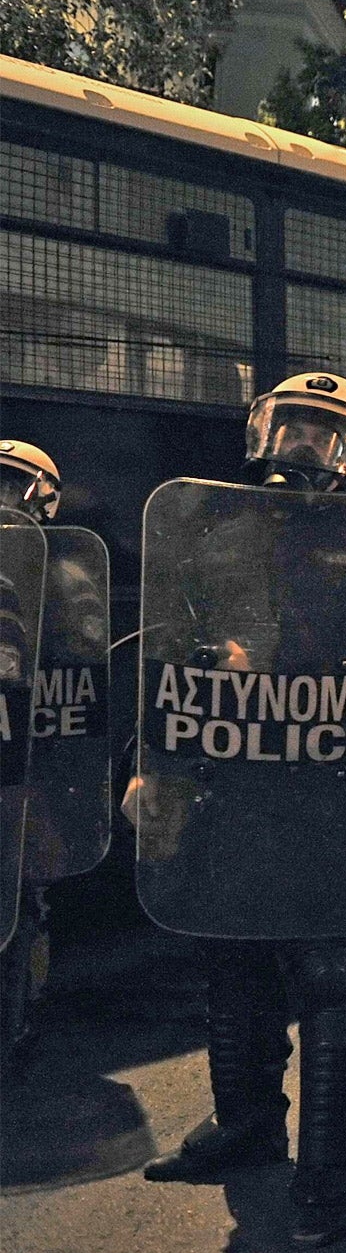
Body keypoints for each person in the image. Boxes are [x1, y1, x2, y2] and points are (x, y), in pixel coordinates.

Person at [139, 372, 346, 1246]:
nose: (303, 453)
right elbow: (172, 647)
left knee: (332, 981)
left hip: (331, 794)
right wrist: (153, 758)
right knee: (234, 957)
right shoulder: (215, 530)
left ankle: (325, 1182)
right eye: (292, 428)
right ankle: (246, 1124)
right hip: (237, 781)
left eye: (326, 436)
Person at [0, 440, 66, 1076]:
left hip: (32, 749)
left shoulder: (64, 570)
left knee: (21, 895)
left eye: (14, 485)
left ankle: (14, 1017)